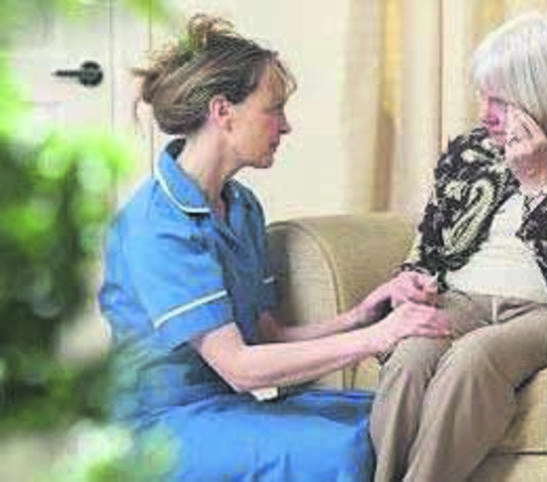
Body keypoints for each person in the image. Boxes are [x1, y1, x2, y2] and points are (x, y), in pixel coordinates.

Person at [98, 14, 449, 482]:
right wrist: (377, 338)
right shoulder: (157, 226)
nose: (285, 127)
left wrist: (361, 316)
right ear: (223, 111)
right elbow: (240, 367)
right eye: (274, 109)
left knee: (396, 415)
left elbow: (267, 337)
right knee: (344, 449)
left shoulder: (242, 206)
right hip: (160, 430)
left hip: (228, 408)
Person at [368, 12, 547, 482]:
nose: (485, 114)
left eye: (500, 99)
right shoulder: (468, 150)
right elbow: (427, 247)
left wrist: (539, 184)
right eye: (483, 95)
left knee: (473, 359)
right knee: (411, 358)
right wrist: (411, 279)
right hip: (460, 298)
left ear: (546, 92)